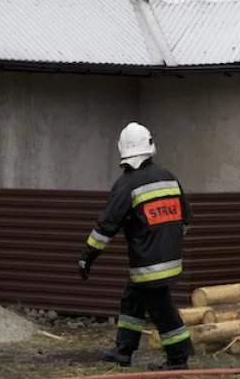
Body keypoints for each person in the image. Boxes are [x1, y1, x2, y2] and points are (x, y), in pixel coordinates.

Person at [78, 122, 195, 371]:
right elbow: (186, 218)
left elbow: (106, 226)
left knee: (161, 307)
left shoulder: (127, 184)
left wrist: (87, 256)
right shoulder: (169, 177)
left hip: (148, 261)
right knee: (133, 296)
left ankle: (179, 357)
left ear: (123, 152)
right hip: (171, 257)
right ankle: (124, 349)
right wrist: (167, 242)